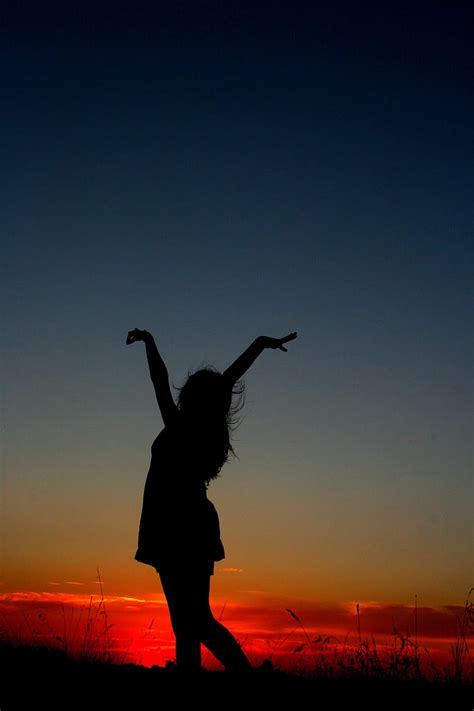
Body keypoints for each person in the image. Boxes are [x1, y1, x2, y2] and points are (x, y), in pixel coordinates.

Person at [126, 328, 298, 672]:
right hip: (183, 523)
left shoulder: (183, 429)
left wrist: (150, 342)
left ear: (194, 397)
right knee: (189, 623)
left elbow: (162, 382)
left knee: (195, 621)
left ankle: (245, 675)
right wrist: (260, 346)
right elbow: (224, 378)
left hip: (179, 524)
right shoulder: (197, 429)